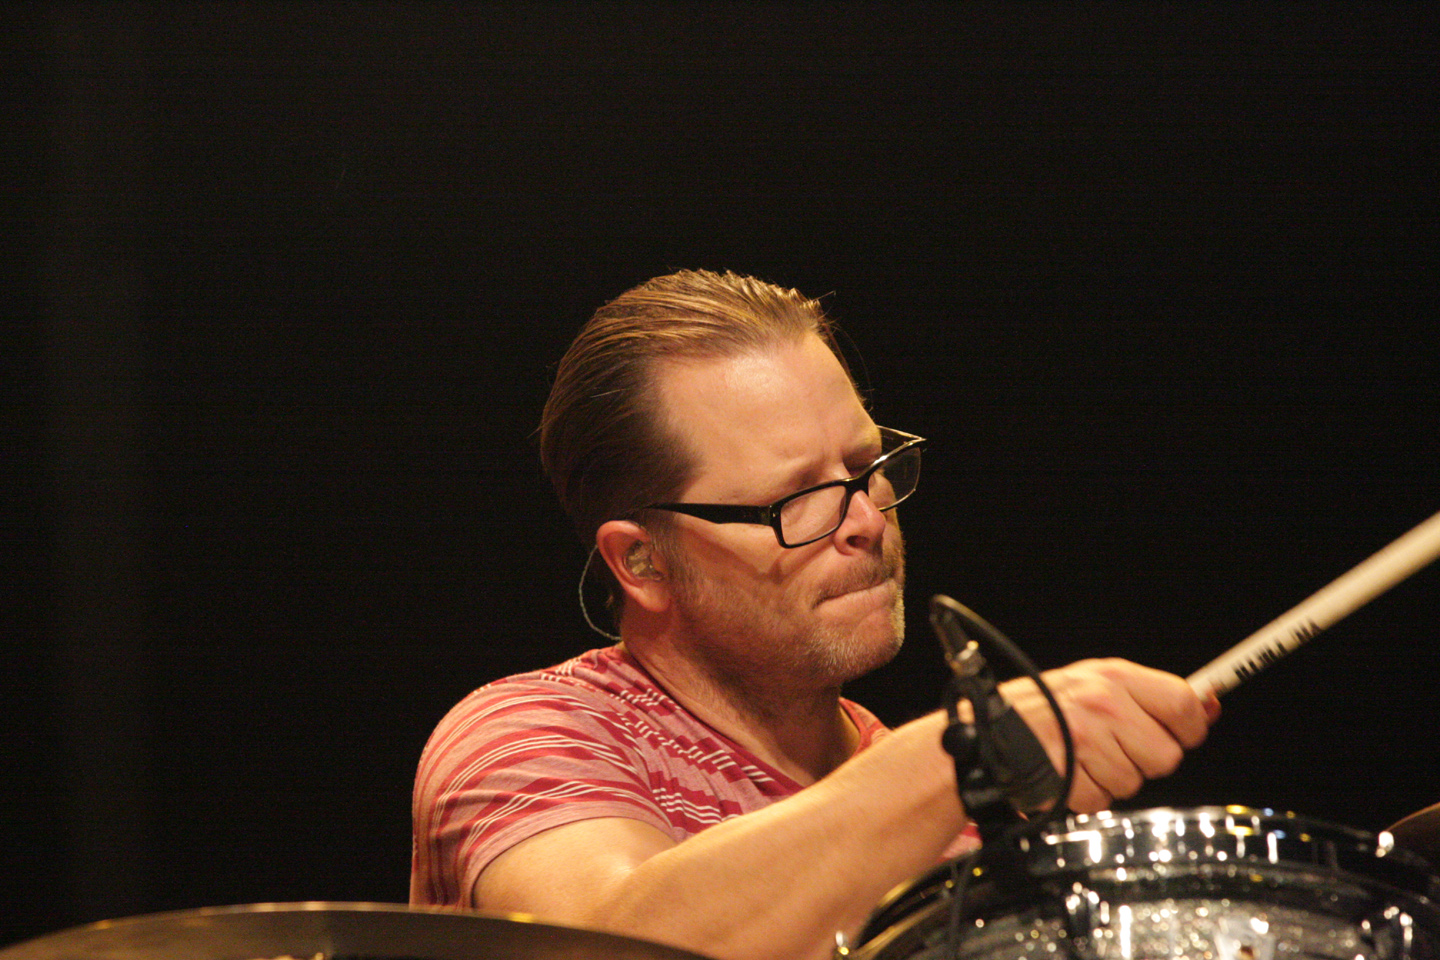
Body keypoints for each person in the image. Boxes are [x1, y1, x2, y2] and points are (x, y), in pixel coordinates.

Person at [411, 269, 1219, 960]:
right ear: (642, 562)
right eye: (796, 498)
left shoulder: (942, 821)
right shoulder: (524, 734)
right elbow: (604, 949)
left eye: (867, 467)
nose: (866, 519)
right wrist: (955, 757)